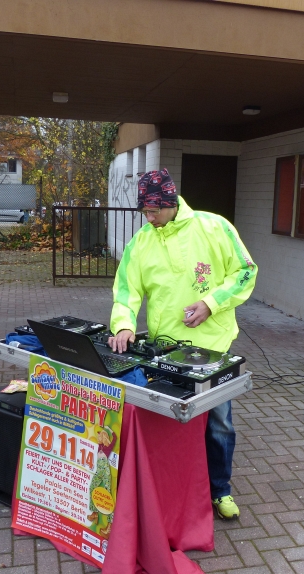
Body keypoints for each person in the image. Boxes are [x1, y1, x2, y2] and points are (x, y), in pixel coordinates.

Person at [108, 169, 257, 520]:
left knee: (219, 422)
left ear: (171, 202)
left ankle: (220, 490)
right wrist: (124, 326)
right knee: (170, 424)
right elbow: (126, 290)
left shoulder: (214, 227)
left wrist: (211, 304)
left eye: (154, 210)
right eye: (144, 211)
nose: (148, 218)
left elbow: (246, 271)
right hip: (165, 349)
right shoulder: (141, 242)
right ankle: (173, 492)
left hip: (213, 347)